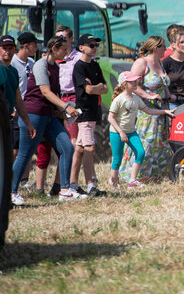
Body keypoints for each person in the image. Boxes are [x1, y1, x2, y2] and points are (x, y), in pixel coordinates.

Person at [11, 35, 83, 203]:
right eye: (64, 50)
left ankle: (65, 190)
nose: (66, 53)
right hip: (33, 115)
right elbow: (45, 92)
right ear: (53, 49)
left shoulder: (55, 66)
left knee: (67, 146)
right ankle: (11, 191)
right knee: (25, 154)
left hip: (49, 115)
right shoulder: (40, 65)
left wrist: (65, 110)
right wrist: (66, 107)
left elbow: (54, 95)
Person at [121, 36, 171, 182]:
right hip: (146, 111)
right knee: (147, 142)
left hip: (161, 111)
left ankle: (157, 175)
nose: (165, 49)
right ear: (156, 48)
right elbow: (132, 85)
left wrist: (169, 96)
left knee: (160, 143)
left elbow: (163, 85)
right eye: (163, 47)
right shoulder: (141, 63)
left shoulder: (160, 63)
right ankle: (137, 175)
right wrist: (149, 96)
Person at [108, 72, 171, 189]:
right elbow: (110, 118)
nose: (135, 82)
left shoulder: (136, 98)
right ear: (125, 84)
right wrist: (121, 132)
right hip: (117, 133)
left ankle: (132, 180)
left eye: (136, 80)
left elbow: (148, 110)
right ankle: (113, 181)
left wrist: (164, 112)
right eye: (132, 81)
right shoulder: (119, 100)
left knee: (140, 153)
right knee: (117, 158)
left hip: (131, 132)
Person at [71, 34, 108, 196]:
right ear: (81, 48)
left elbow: (105, 88)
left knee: (79, 149)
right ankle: (90, 185)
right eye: (91, 45)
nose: (94, 47)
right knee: (89, 148)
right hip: (84, 112)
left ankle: (72, 184)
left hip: (93, 111)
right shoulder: (79, 67)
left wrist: (97, 87)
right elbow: (88, 90)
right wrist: (96, 87)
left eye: (95, 45)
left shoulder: (95, 65)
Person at [2, 34, 35, 205]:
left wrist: (28, 122)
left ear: (15, 49)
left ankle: (8, 194)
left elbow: (18, 99)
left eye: (10, 48)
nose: (7, 51)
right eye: (4, 48)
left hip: (7, 119)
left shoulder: (13, 71)